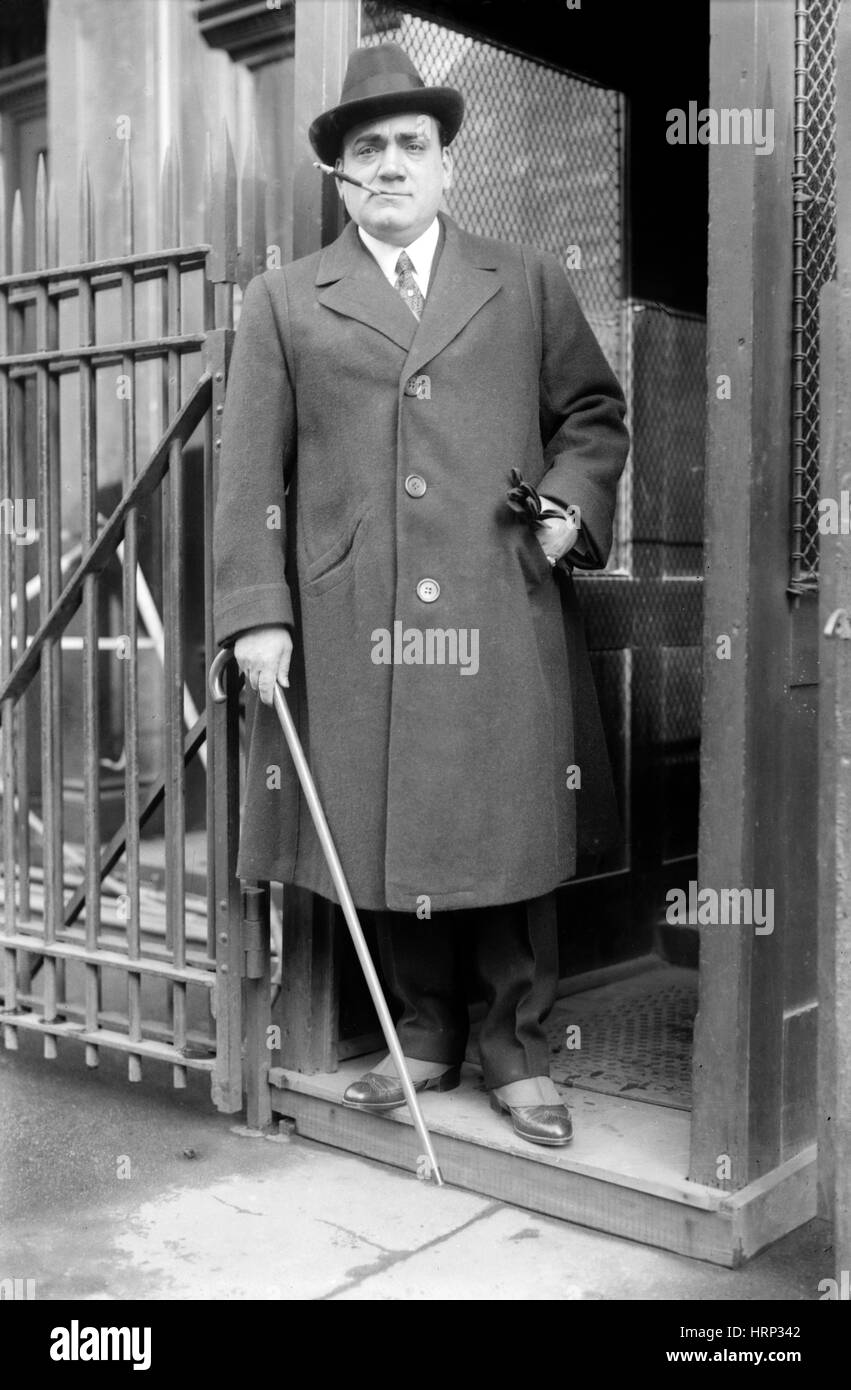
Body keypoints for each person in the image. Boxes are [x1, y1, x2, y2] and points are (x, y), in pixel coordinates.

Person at [213, 41, 629, 1147]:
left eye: (410, 144)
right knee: (388, 824)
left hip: (498, 596)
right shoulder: (283, 302)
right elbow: (249, 469)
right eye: (366, 150)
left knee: (503, 824)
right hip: (361, 617)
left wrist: (565, 509)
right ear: (340, 177)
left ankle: (519, 1047)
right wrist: (256, 608)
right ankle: (423, 1032)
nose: (389, 164)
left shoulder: (524, 279)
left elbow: (592, 416)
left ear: (446, 163)